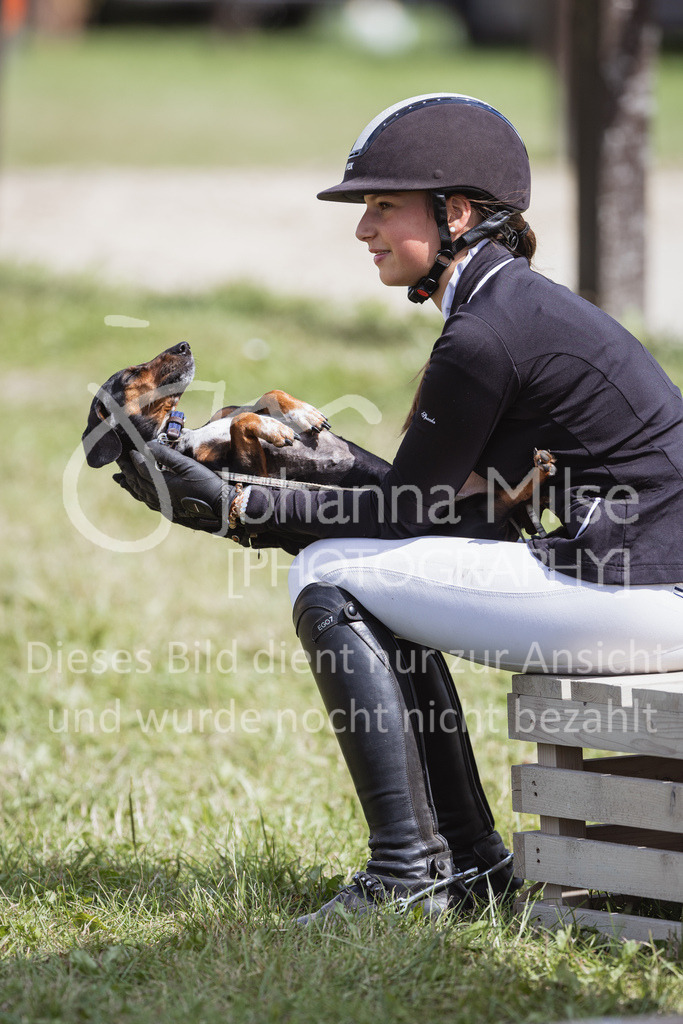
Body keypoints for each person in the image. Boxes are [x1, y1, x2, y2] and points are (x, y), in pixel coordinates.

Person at [115, 93, 683, 922]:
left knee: (330, 576)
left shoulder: (483, 335)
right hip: (642, 583)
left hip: (643, 594)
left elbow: (406, 518)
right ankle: (463, 866)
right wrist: (301, 461)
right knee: (352, 568)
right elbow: (442, 510)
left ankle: (411, 872)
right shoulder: (507, 308)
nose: (363, 228)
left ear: (455, 213)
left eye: (384, 205)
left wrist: (238, 508)